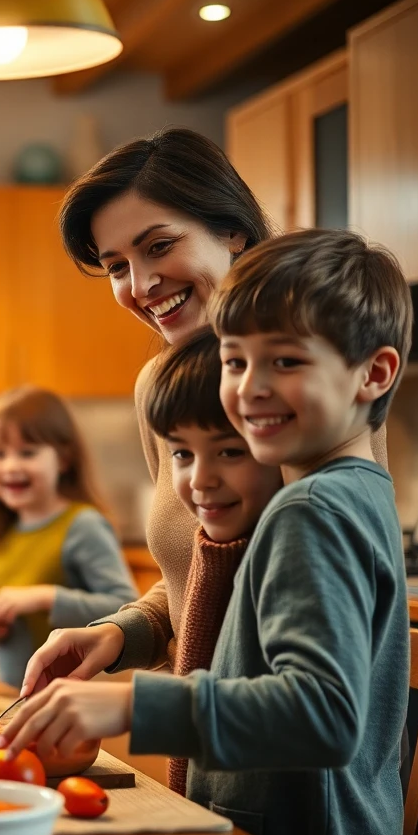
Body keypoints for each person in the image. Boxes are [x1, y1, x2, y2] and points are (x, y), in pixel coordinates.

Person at [0, 229, 412, 835]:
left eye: (285, 362)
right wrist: (125, 637)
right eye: (237, 361)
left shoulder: (311, 512)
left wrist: (130, 706)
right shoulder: (354, 492)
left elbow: (323, 714)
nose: (250, 388)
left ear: (375, 373)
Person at [23, 126, 388, 688]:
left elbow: (329, 624)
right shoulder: (159, 386)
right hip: (210, 756)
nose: (141, 284)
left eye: (159, 246)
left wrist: (135, 709)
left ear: (233, 231)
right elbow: (191, 580)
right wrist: (122, 632)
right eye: (117, 266)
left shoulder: (317, 389)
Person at [143, 327, 282, 793]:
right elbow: (179, 588)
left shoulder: (296, 545)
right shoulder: (219, 543)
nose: (200, 480)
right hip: (220, 810)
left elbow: (318, 714)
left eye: (229, 451)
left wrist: (133, 707)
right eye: (181, 452)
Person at [0, 386, 137, 688]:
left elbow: (127, 607)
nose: (11, 466)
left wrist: (45, 597)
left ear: (64, 458)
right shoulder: (6, 531)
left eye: (27, 452)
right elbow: (0, 599)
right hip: (12, 694)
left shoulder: (83, 525)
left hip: (69, 698)